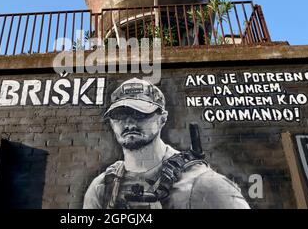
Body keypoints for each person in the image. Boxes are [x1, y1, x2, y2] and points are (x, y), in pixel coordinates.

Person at [83, 78, 250, 209]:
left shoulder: (205, 184)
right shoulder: (102, 188)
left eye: (139, 114)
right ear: (112, 123)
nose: (129, 124)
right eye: (120, 116)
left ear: (162, 119)